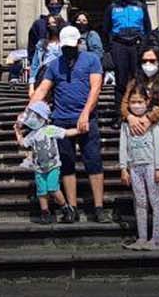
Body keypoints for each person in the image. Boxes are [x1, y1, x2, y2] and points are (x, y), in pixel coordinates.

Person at [30, 25, 108, 223]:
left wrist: (85, 113)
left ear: (79, 44)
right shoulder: (54, 65)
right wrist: (26, 113)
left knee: (93, 161)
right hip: (61, 119)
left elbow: (95, 88)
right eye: (65, 48)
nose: (68, 51)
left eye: (71, 47)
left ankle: (99, 207)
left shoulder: (91, 60)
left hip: (86, 118)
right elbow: (42, 90)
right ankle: (72, 208)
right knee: (66, 164)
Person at [124, 47, 159, 244]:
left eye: (152, 60)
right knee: (141, 185)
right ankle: (144, 231)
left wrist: (150, 117)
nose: (148, 64)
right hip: (140, 139)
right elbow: (124, 104)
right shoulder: (134, 83)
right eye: (145, 60)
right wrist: (130, 116)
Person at [15, 101, 79, 224]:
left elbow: (65, 133)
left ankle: (66, 208)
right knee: (41, 191)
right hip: (39, 168)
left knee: (53, 188)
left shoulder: (49, 130)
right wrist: (17, 131)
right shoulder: (32, 135)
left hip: (53, 165)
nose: (33, 119)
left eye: (36, 116)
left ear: (43, 118)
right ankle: (45, 212)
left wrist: (79, 130)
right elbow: (23, 143)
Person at [120, 89, 159, 250]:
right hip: (134, 167)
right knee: (140, 202)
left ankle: (157, 238)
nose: (136, 105)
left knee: (155, 200)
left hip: (150, 166)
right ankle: (141, 237)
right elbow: (123, 147)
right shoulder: (126, 125)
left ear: (147, 102)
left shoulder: (153, 124)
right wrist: (123, 168)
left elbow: (158, 145)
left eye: (140, 102)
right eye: (133, 102)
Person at [105, 0, 152, 125]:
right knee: (121, 81)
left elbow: (148, 28)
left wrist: (144, 45)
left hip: (137, 45)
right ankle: (120, 115)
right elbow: (106, 28)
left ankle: (141, 111)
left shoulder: (140, 6)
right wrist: (111, 45)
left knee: (139, 79)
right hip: (119, 44)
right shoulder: (112, 7)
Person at [25, 0, 66, 74]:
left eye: (57, 4)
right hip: (44, 67)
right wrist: (34, 65)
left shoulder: (67, 25)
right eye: (52, 4)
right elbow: (32, 46)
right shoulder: (38, 24)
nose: (55, 6)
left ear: (62, 5)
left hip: (62, 67)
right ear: (47, 5)